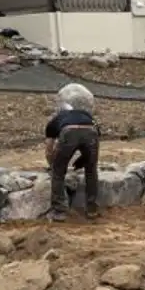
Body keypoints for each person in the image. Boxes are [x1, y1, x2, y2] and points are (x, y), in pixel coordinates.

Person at [44, 83, 101, 222]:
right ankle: (92, 209)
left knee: (58, 172)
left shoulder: (57, 119)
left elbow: (49, 148)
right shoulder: (88, 116)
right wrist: (85, 159)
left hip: (69, 132)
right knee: (91, 171)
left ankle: (59, 211)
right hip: (91, 131)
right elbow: (95, 138)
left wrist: (52, 164)